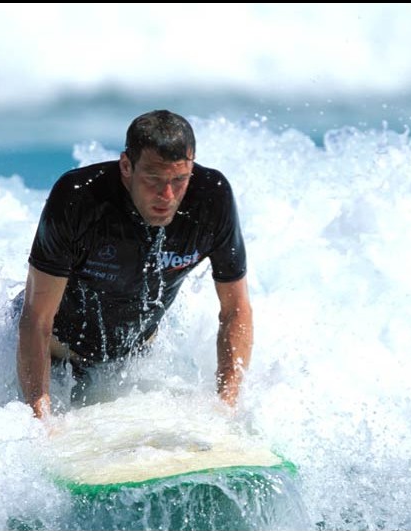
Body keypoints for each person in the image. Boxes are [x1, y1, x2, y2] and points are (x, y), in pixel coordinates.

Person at [16, 110, 253, 419]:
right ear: (126, 166)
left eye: (179, 180)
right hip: (55, 357)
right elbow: (36, 319)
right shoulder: (78, 199)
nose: (167, 195)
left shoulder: (212, 199)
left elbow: (236, 309)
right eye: (153, 179)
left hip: (132, 360)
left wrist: (227, 405)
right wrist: (39, 419)